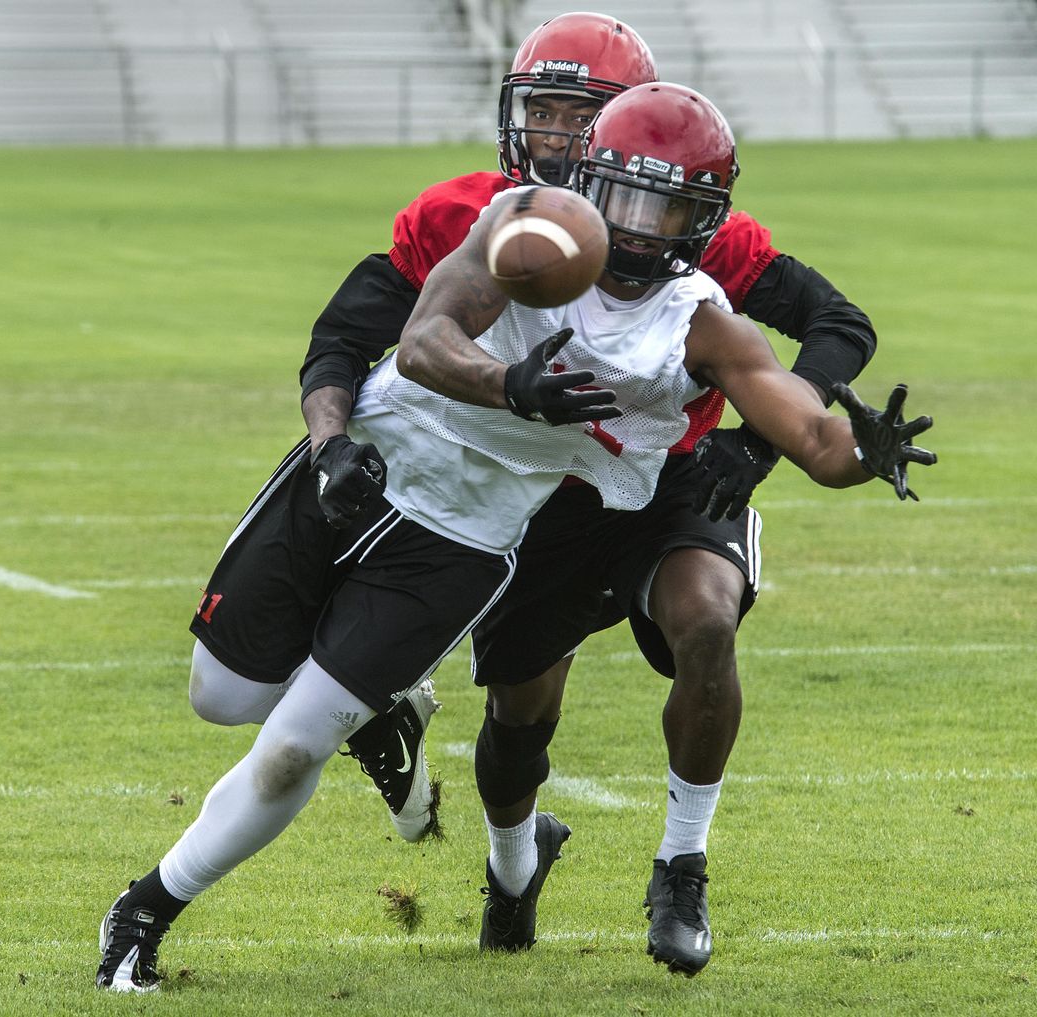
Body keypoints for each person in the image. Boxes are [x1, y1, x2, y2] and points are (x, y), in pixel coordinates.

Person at [94, 79, 934, 993]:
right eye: (629, 195)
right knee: (221, 696)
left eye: (673, 207)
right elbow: (421, 341)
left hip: (463, 537)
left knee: (296, 742)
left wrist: (861, 452)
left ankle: (145, 908)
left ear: (707, 222)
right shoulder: (521, 223)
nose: (644, 228)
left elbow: (810, 434)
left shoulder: (702, 323)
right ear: (589, 180)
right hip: (374, 465)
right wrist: (511, 388)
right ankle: (384, 706)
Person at [292, 13, 880, 976]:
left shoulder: (694, 243)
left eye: (581, 115)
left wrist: (755, 448)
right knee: (520, 716)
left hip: (670, 484)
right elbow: (348, 335)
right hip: (538, 495)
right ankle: (515, 868)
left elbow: (833, 329)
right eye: (545, 111)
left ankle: (681, 867)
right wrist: (332, 442)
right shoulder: (478, 218)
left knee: (707, 623)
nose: (558, 137)